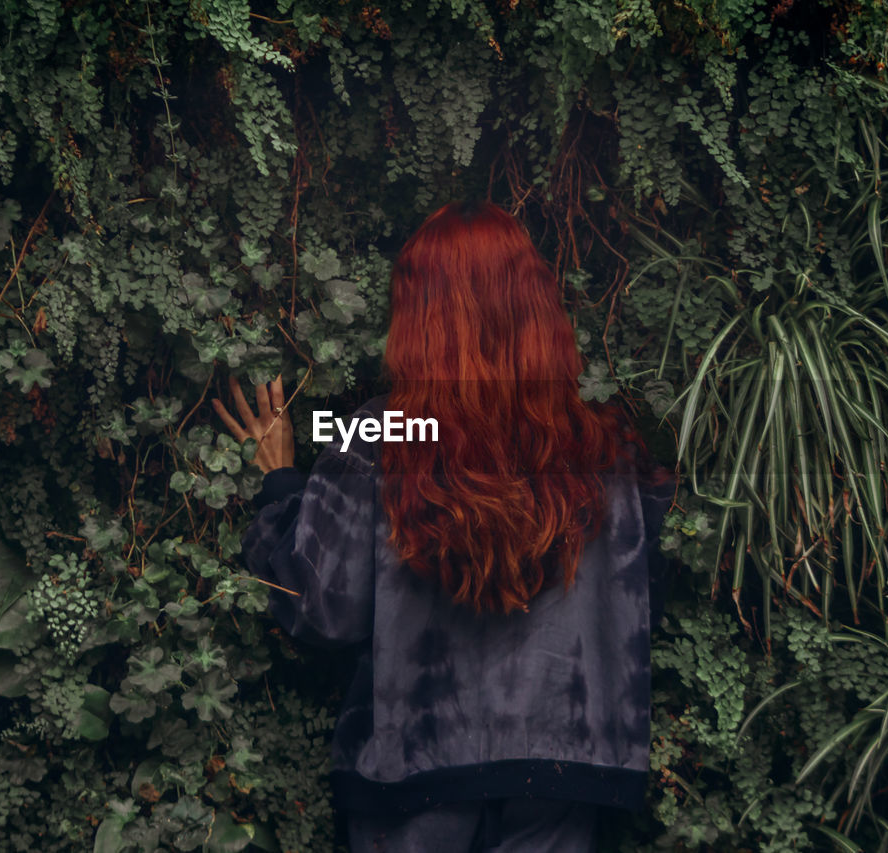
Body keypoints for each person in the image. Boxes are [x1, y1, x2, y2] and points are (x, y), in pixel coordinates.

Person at [212, 200, 678, 852]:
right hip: (563, 775)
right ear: (536, 307)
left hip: (412, 776)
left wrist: (280, 483)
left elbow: (321, 607)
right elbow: (640, 599)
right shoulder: (606, 449)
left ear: (419, 321)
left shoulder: (382, 432)